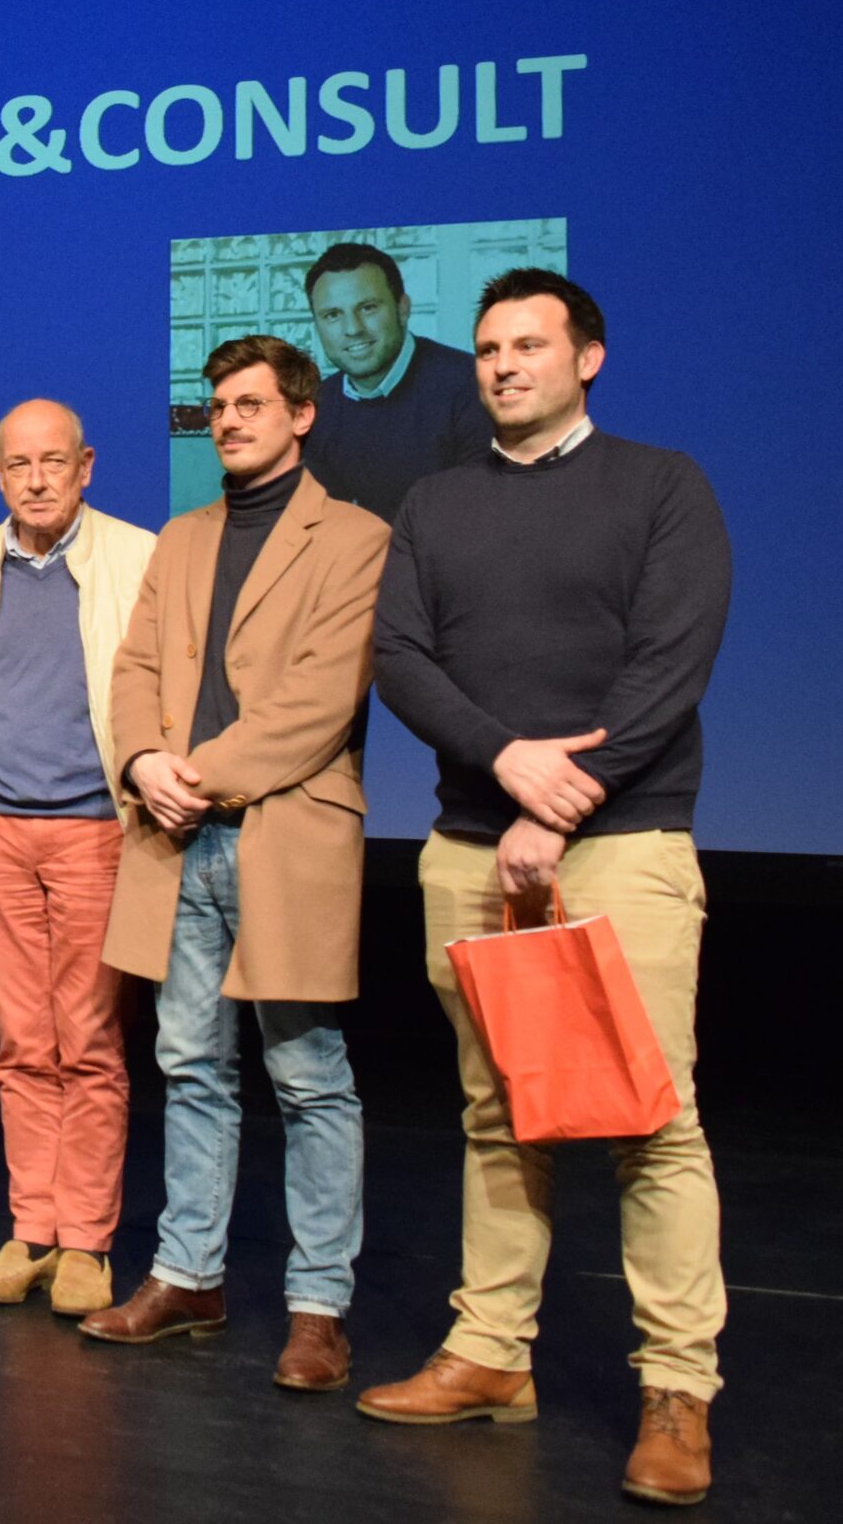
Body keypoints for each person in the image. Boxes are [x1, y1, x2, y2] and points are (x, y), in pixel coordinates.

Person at [358, 271, 731, 1508]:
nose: (503, 365)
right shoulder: (434, 502)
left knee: (647, 1118)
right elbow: (399, 654)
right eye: (484, 350)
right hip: (470, 846)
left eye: (528, 344)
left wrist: (556, 799)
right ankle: (489, 1355)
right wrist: (505, 767)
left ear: (589, 358)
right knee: (494, 1113)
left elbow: (672, 654)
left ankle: (678, 1390)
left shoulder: (661, 484)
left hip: (621, 842)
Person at [79, 335, 388, 1397]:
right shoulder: (183, 536)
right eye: (218, 405)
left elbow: (320, 700)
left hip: (279, 831)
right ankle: (188, 1277)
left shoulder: (354, 538)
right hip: (175, 837)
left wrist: (191, 773)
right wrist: (137, 759)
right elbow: (132, 669)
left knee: (308, 1077)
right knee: (189, 1066)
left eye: (252, 403)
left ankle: (316, 1310)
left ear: (301, 415)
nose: (230, 419)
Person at [0, 400, 155, 1317]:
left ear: (86, 466)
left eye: (53, 461)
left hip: (94, 829)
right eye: (18, 464)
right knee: (23, 1044)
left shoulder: (138, 556)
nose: (35, 478)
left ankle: (89, 1245)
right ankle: (31, 1229)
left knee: (93, 1045)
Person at [299, 241, 492, 523]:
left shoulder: (471, 386)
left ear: (403, 308)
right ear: (317, 325)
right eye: (332, 315)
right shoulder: (317, 407)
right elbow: (321, 525)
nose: (353, 329)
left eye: (367, 308)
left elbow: (479, 519)